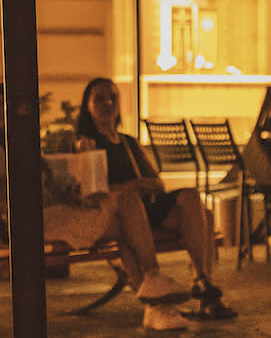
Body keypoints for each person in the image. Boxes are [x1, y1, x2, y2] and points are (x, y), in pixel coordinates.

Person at [0, 83, 190, 331]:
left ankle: (155, 303)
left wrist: (68, 191)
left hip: (51, 213)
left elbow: (45, 188)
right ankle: (154, 286)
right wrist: (50, 181)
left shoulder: (18, 144)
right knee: (126, 207)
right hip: (30, 222)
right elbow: (18, 194)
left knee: (125, 218)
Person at [74, 77, 236, 321]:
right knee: (206, 216)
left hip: (149, 204)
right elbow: (93, 190)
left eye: (113, 98)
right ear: (87, 106)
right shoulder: (88, 144)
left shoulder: (128, 142)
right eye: (100, 99)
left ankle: (201, 279)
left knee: (192, 198)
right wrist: (131, 186)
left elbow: (157, 182)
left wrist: (143, 185)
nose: (108, 103)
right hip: (124, 212)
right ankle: (203, 294)